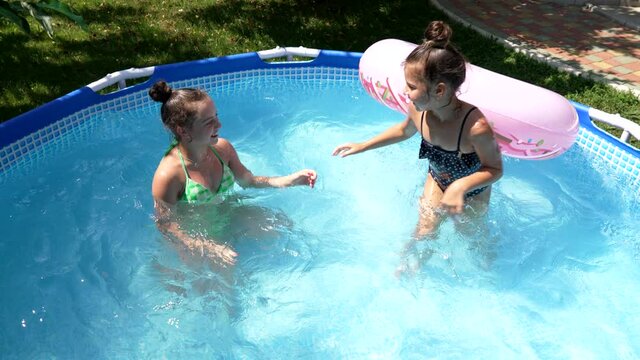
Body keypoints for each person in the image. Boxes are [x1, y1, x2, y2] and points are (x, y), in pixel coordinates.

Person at [332, 21, 503, 239]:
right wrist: (364, 145)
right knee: (424, 232)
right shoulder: (417, 109)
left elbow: (495, 169)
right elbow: (404, 131)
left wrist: (460, 187)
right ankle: (405, 269)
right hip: (438, 178)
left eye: (412, 86)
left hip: (473, 189)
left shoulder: (475, 128)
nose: (404, 91)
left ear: (439, 90)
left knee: (471, 237)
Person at [150, 80, 317, 266]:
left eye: (216, 116)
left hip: (229, 214)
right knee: (222, 282)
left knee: (283, 226)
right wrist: (207, 246)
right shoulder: (169, 175)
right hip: (196, 236)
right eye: (209, 122)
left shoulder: (222, 149)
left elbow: (248, 181)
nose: (219, 125)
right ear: (182, 130)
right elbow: (165, 224)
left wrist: (289, 180)